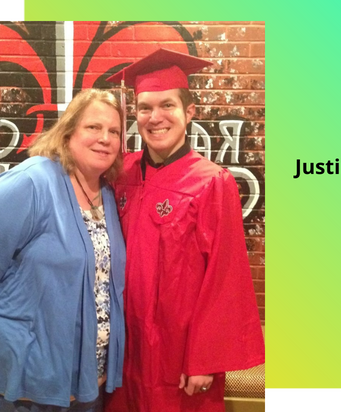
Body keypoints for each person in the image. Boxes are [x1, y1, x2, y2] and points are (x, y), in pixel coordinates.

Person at [104, 48, 265, 412]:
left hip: (178, 352)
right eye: (145, 108)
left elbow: (225, 277)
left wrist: (204, 359)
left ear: (189, 113)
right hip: (126, 346)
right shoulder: (120, 174)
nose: (155, 117)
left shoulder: (211, 183)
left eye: (167, 106)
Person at [0, 89, 126, 411]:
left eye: (114, 131)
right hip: (21, 384)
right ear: (68, 130)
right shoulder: (29, 183)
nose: (105, 138)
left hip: (85, 383)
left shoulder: (106, 195)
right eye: (93, 127)